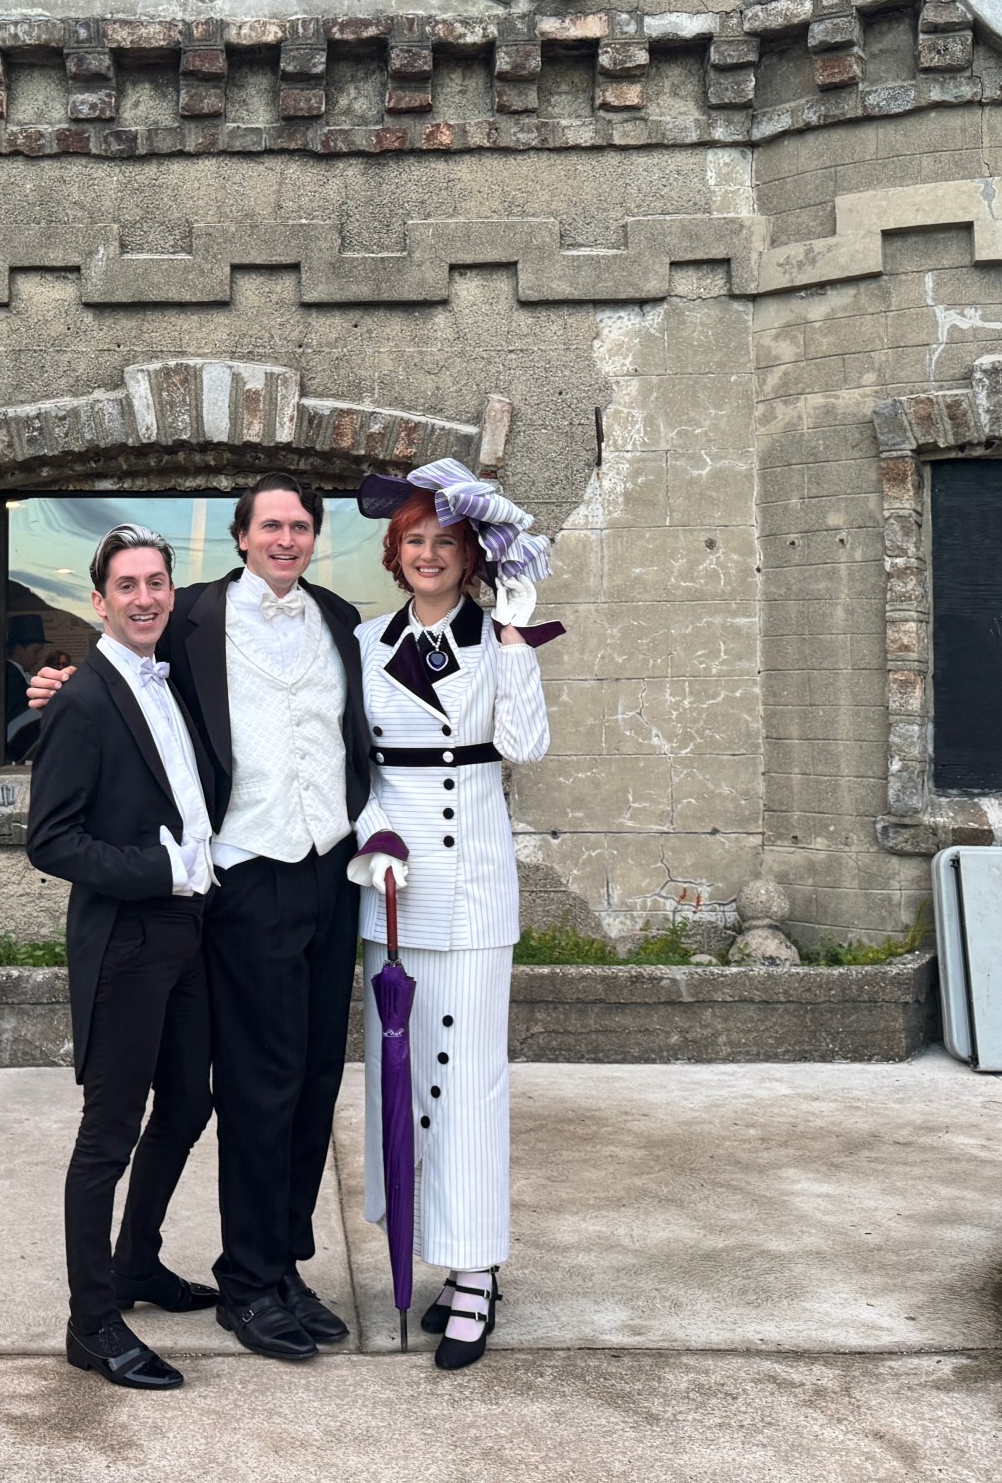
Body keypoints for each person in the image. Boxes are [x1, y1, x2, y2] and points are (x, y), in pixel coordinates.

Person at [29, 473, 371, 1361]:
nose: (286, 539)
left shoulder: (340, 619)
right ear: (241, 536)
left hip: (331, 872)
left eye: (301, 526)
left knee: (313, 1084)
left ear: (314, 537)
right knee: (259, 1084)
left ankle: (282, 1262)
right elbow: (114, 675)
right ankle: (248, 1281)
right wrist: (52, 685)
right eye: (271, 526)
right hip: (245, 876)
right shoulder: (191, 619)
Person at [349, 461, 556, 1370]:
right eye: (413, 542)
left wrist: (512, 639)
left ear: (470, 554)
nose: (428, 554)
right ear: (395, 555)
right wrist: (371, 835)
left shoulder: (498, 637)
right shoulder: (361, 644)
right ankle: (431, 1247)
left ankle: (474, 1271)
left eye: (444, 540)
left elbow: (525, 746)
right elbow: (347, 764)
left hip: (472, 885)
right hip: (393, 891)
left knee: (467, 1081)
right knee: (404, 1086)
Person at [26, 526, 224, 1391]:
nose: (145, 598)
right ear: (98, 600)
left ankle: (137, 1261)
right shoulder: (85, 699)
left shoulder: (166, 676)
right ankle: (91, 1321)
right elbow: (51, 840)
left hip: (190, 936)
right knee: (107, 1137)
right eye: (127, 586)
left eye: (158, 582)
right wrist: (159, 869)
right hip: (127, 942)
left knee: (188, 1104)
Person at [2, 613, 52, 762]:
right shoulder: (11, 677)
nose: (38, 658)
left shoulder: (18, 675)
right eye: (35, 651)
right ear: (18, 649)